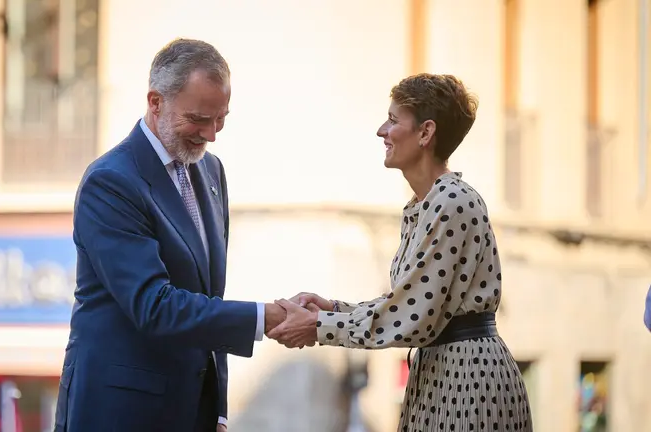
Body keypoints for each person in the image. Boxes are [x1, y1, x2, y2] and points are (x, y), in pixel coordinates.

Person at [268, 73, 534, 431]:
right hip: (443, 372)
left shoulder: (452, 201)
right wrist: (333, 309)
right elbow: (409, 302)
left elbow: (413, 317)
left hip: (468, 380)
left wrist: (319, 325)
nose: (382, 130)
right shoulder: (425, 204)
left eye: (393, 120)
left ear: (425, 133)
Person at [54, 38, 286, 432]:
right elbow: (155, 305)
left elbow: (208, 298)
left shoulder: (211, 172)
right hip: (119, 413)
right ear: (156, 101)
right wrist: (265, 318)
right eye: (198, 118)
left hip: (191, 412)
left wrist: (218, 409)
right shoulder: (111, 182)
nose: (211, 134)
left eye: (221, 119)